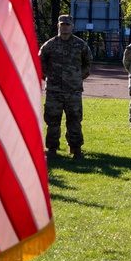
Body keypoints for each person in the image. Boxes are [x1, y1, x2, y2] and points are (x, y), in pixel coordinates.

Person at [39, 14, 92, 159]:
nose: (65, 27)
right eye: (62, 24)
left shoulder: (80, 45)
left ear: (72, 26)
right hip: (54, 91)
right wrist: (48, 77)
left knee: (74, 120)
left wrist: (77, 77)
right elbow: (40, 62)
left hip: (73, 90)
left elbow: (88, 63)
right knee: (52, 120)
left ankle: (75, 148)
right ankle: (52, 149)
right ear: (58, 26)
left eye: (68, 24)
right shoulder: (49, 45)